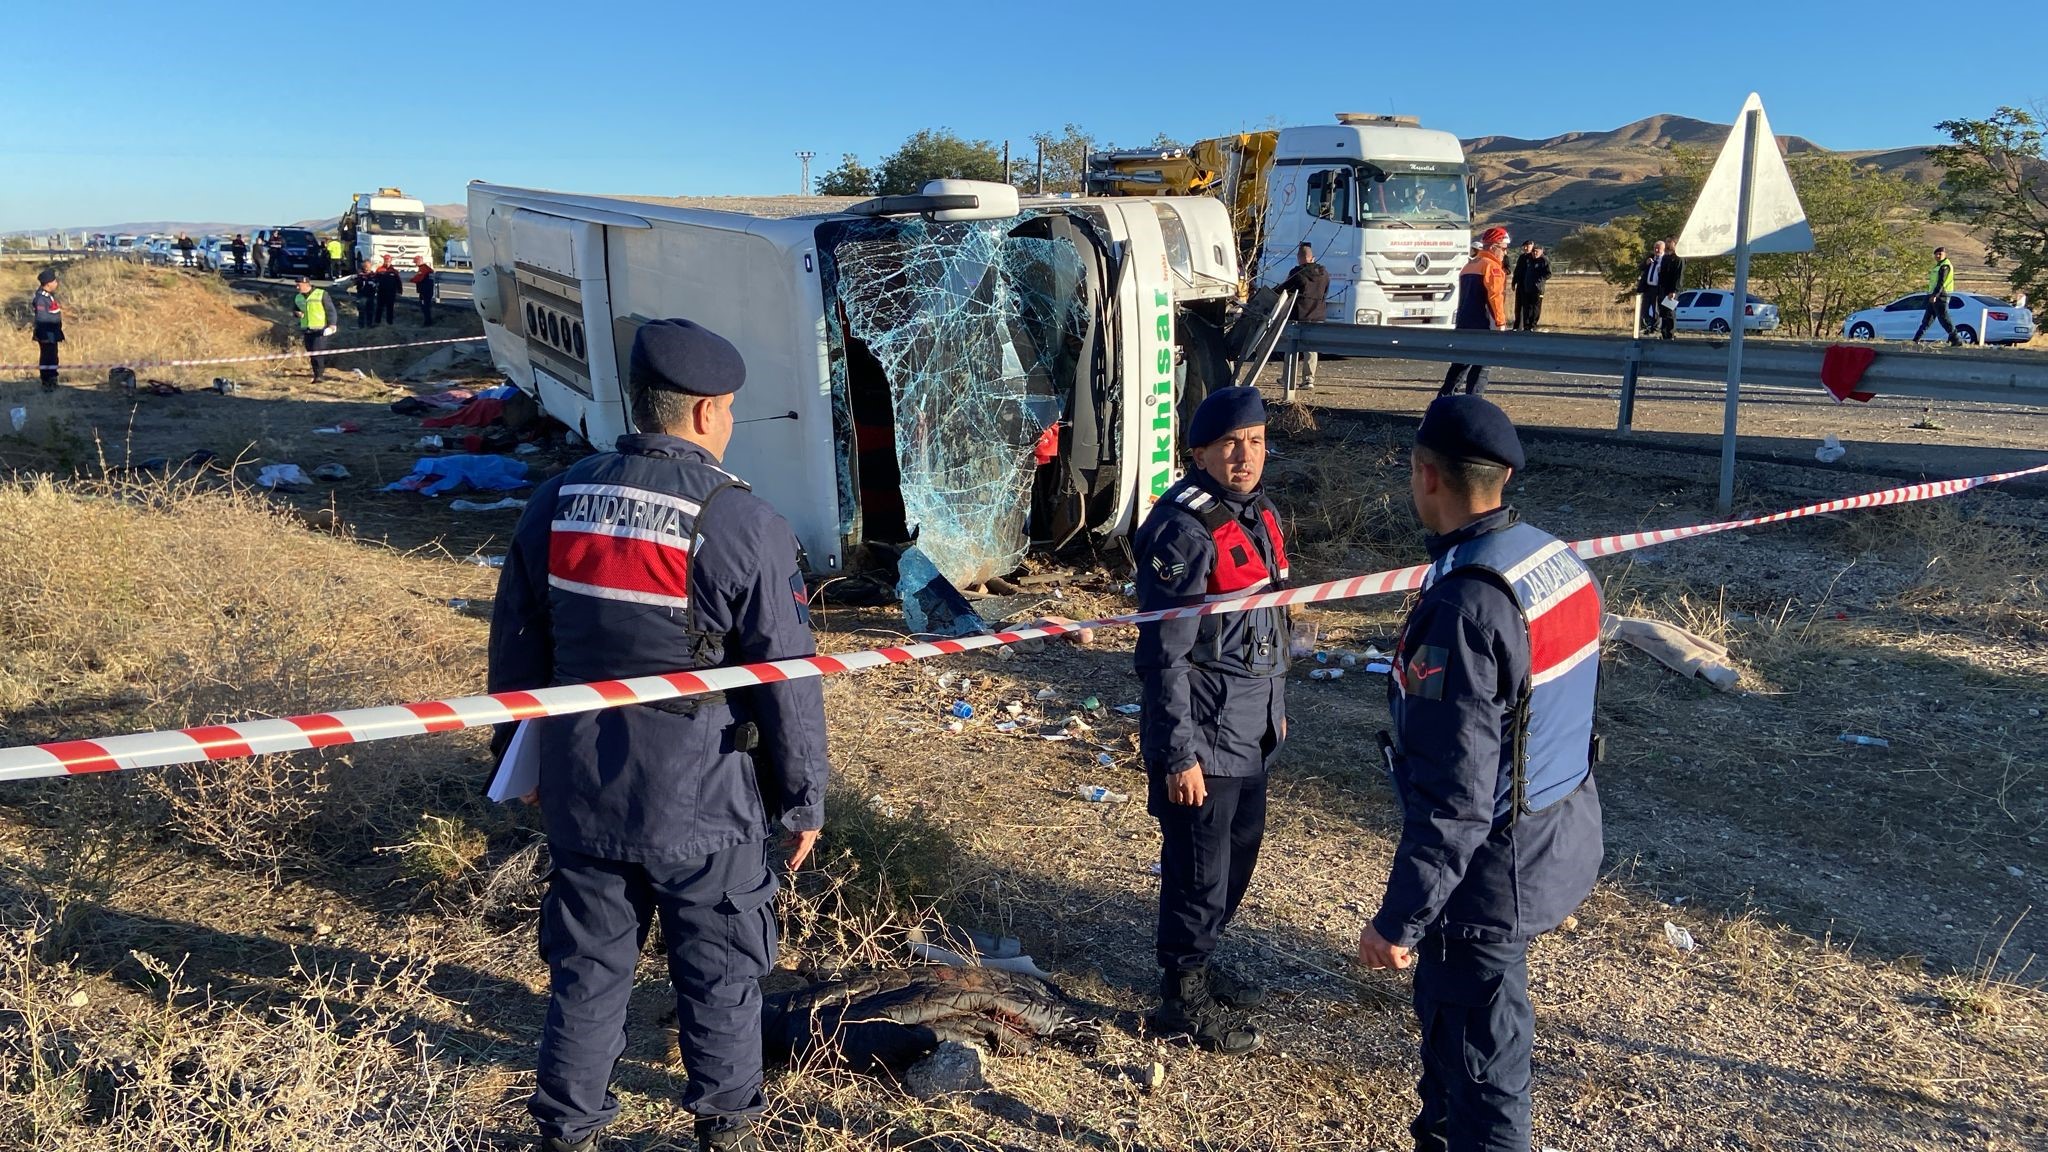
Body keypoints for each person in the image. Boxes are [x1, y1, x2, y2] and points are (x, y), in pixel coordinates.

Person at [487, 318, 830, 1152]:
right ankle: (728, 1128)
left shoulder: (556, 501)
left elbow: (515, 646)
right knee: (719, 973)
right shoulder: (741, 519)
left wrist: (515, 762)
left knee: (587, 974)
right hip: (704, 799)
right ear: (709, 411)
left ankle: (566, 1131)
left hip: (582, 786)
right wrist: (802, 799)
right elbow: (784, 679)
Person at [1357, 394, 1604, 1152]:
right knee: (1458, 1043)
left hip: (1490, 875)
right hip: (1558, 831)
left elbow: (1456, 798)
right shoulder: (1550, 559)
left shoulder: (1465, 605)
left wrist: (1401, 917)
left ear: (1426, 476)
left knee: (1485, 1073)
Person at [1133, 385, 1291, 1056]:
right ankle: (1181, 998)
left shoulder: (1256, 514)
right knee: (1198, 866)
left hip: (1252, 727)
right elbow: (1163, 657)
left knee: (1237, 855)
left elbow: (1272, 618)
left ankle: (1202, 961)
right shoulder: (1182, 529)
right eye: (1230, 444)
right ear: (1198, 452)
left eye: (1255, 441)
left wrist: (1277, 716)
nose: (1245, 455)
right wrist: (1178, 755)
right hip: (1205, 734)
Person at [1441, 226, 1510, 397]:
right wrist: (1500, 324)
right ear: (1493, 247)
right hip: (1484, 325)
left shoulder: (1470, 265)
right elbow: (1495, 298)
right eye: (1503, 248)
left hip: (1464, 323)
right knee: (1481, 368)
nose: (1505, 253)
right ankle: (1474, 402)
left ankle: (1442, 402)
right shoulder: (1492, 268)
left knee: (1459, 367)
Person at [1274, 243, 1329, 388]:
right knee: (1311, 348)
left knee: (1292, 347)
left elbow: (1283, 289)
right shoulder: (1324, 273)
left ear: (1299, 258)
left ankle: (1287, 378)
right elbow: (1325, 292)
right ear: (1313, 258)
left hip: (1299, 315)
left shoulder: (1297, 273)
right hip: (1317, 314)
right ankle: (1309, 379)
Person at [1913, 246, 1964, 346]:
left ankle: (1956, 339)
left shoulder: (1945, 266)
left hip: (1941, 295)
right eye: (1936, 254)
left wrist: (1935, 295)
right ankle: (1916, 339)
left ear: (1945, 255)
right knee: (1927, 319)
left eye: (1940, 254)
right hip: (1934, 295)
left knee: (1943, 318)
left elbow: (1941, 282)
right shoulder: (1938, 266)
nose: (1937, 256)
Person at [293, 275, 338, 383]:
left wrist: (332, 325)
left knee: (317, 353)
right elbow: (294, 310)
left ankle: (319, 376)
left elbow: (331, 310)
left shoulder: (321, 294)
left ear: (306, 284)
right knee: (312, 353)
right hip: (307, 329)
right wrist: (297, 313)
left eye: (298, 285)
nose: (297, 288)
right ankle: (322, 367)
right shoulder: (298, 297)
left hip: (320, 329)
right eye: (296, 285)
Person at [1638, 239, 1683, 339]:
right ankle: (1646, 326)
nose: (1657, 250)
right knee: (1645, 309)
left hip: (1659, 288)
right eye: (1655, 248)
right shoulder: (1650, 257)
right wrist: (1646, 263)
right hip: (1648, 288)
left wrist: (1673, 290)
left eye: (1659, 248)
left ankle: (1658, 329)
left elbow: (1674, 276)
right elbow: (1640, 267)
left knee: (1659, 310)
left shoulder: (1666, 260)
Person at [30, 269, 63, 390]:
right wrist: (46, 337)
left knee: (53, 357)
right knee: (47, 358)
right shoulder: (41, 299)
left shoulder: (48, 296)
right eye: (54, 281)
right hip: (47, 334)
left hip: (52, 333)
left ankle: (52, 380)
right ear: (48, 283)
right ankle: (47, 382)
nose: (56, 283)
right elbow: (42, 319)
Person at [1511, 242, 1551, 331]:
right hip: (1527, 287)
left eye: (1536, 251)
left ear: (1541, 251)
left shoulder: (1544, 260)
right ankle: (1526, 326)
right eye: (1533, 251)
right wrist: (1515, 282)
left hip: (1538, 289)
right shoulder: (1528, 259)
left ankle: (1533, 325)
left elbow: (1548, 274)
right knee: (1526, 307)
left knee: (1535, 307)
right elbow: (1518, 271)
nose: (1534, 253)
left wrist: (1539, 281)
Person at [374, 255, 402, 326]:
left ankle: (389, 323)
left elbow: (398, 281)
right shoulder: (379, 269)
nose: (387, 262)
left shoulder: (394, 271)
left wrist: (399, 291)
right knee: (379, 307)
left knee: (390, 308)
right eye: (386, 261)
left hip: (391, 292)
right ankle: (377, 322)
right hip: (381, 292)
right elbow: (375, 279)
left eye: (388, 261)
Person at [411, 257, 437, 326]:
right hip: (426, 290)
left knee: (425, 306)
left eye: (416, 262)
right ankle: (428, 321)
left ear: (419, 261)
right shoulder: (426, 268)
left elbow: (419, 278)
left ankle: (428, 322)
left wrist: (412, 280)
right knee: (425, 306)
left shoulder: (423, 269)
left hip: (425, 291)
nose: (415, 264)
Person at [354, 259, 379, 327]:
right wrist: (361, 278)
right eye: (365, 266)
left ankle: (369, 324)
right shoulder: (360, 275)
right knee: (361, 311)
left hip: (371, 295)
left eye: (367, 266)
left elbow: (377, 283)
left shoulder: (373, 275)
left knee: (370, 310)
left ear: (370, 266)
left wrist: (375, 285)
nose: (366, 268)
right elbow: (356, 283)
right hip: (362, 295)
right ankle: (361, 325)